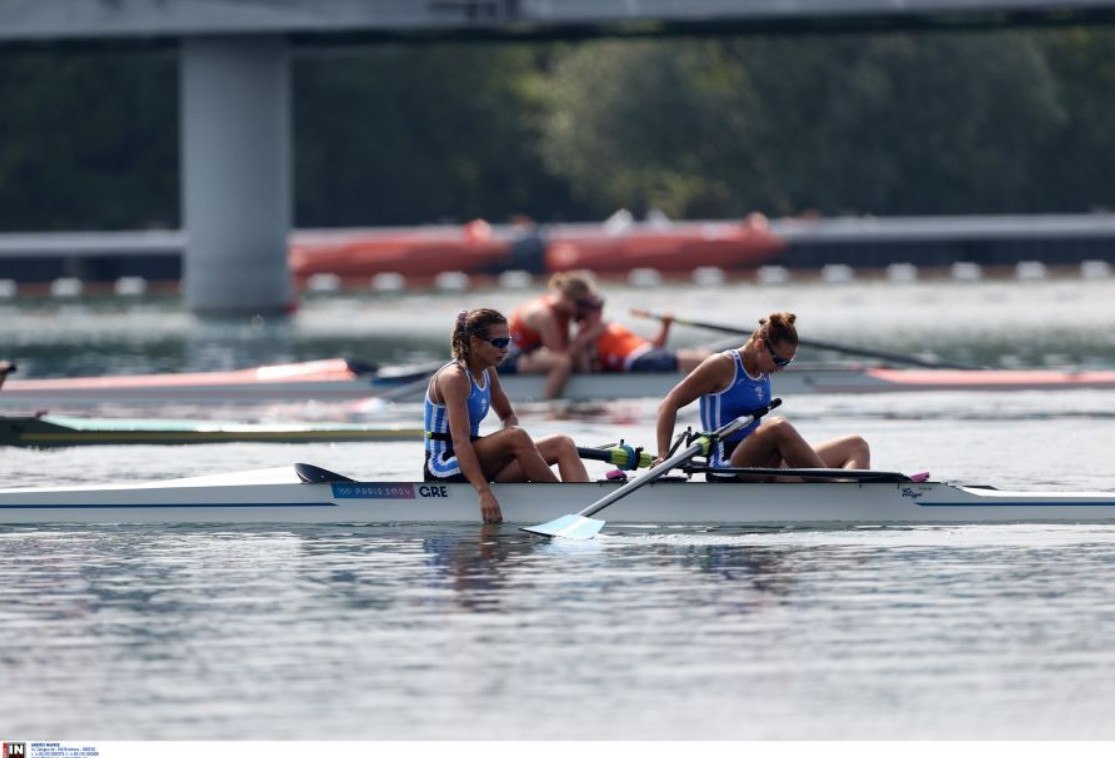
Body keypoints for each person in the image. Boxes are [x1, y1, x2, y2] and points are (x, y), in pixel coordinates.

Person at [654, 312, 870, 481]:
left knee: (856, 445)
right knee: (777, 426)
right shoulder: (722, 365)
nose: (782, 368)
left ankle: (854, 493)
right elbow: (669, 403)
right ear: (759, 345)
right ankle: (836, 488)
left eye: (787, 362)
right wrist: (663, 455)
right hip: (729, 465)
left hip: (764, 462)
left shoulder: (764, 368)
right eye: (780, 361)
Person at [425, 308, 590, 523]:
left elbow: (508, 415)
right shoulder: (454, 379)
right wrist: (484, 492)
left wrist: (510, 453)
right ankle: (563, 507)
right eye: (499, 343)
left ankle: (586, 504)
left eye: (508, 341)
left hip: (475, 459)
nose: (506, 350)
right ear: (475, 342)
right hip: (444, 465)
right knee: (516, 436)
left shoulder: (487, 371)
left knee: (562, 443)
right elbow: (460, 442)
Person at [498, 271, 605, 400]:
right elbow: (561, 353)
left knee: (578, 350)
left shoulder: (564, 311)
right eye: (581, 305)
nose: (582, 310)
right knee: (562, 363)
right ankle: (550, 402)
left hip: (527, 354)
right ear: (566, 297)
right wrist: (586, 337)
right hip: (506, 358)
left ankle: (591, 390)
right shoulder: (544, 315)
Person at [578, 310, 710, 375]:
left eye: (600, 304)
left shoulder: (611, 327)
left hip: (649, 354)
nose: (599, 310)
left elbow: (655, 345)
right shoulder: (586, 335)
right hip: (639, 361)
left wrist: (665, 326)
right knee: (710, 361)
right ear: (584, 312)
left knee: (707, 356)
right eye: (594, 306)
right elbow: (588, 369)